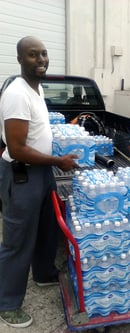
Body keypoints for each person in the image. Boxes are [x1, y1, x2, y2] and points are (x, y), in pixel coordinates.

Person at [0, 36, 79, 328]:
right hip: (22, 175)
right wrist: (59, 162)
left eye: (44, 54)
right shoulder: (18, 93)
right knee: (17, 241)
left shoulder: (37, 89)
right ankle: (7, 304)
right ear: (20, 59)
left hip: (42, 172)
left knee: (46, 227)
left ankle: (44, 273)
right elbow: (18, 147)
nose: (41, 60)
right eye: (33, 55)